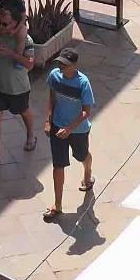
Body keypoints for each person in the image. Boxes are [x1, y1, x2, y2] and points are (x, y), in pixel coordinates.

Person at [0, 0, 36, 170]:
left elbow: (30, 64)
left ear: (16, 23)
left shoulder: (25, 40)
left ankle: (31, 135)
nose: (1, 27)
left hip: (18, 87)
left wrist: (11, 54)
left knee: (23, 111)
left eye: (5, 24)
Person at [43, 48, 95, 222]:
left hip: (78, 130)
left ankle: (88, 171)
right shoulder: (54, 76)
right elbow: (52, 98)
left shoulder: (83, 83)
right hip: (57, 126)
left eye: (65, 65)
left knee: (82, 155)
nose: (61, 67)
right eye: (60, 63)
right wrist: (48, 121)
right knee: (58, 165)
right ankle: (57, 205)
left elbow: (86, 111)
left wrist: (70, 129)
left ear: (74, 65)